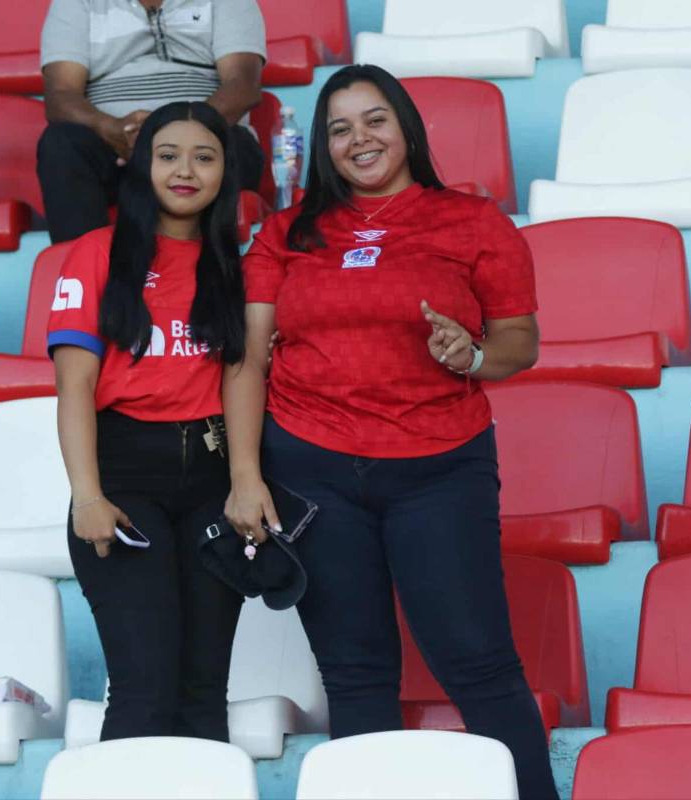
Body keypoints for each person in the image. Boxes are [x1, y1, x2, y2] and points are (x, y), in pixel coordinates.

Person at [222, 65, 560, 799]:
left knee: (479, 664)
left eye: (375, 120)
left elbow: (519, 343)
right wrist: (245, 476)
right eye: (339, 129)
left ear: (406, 127)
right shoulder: (286, 233)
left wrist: (471, 355)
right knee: (355, 674)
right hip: (311, 467)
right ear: (323, 147)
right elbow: (248, 357)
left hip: (439, 467)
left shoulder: (473, 222)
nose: (360, 139)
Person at [49, 100, 247, 741]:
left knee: (203, 694)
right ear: (141, 166)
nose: (185, 171)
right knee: (144, 691)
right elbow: (74, 386)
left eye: (204, 157)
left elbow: (244, 380)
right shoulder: (96, 253)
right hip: (124, 480)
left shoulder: (234, 263)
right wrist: (87, 496)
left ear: (225, 172)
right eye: (168, 156)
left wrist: (246, 483)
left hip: (214, 479)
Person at [37, 0, 267, 244]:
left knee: (236, 144)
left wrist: (173, 134)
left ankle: (209, 265)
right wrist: (111, 129)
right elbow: (60, 95)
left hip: (203, 137)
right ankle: (81, 266)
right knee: (61, 144)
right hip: (117, 148)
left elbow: (243, 86)